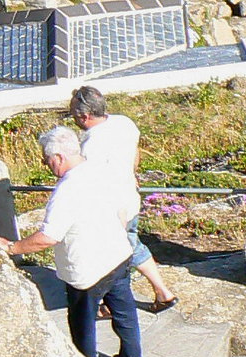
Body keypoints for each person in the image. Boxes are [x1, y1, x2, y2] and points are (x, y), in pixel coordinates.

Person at [4, 126, 142, 357]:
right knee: (125, 311)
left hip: (86, 269)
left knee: (82, 320)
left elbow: (49, 236)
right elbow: (122, 213)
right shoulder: (101, 171)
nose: (48, 166)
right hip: (118, 254)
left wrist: (13, 247)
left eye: (47, 160)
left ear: (58, 158)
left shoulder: (67, 190)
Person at [66, 86, 176, 314]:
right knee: (133, 246)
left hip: (112, 210)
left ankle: (107, 303)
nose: (72, 117)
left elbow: (89, 181)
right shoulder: (124, 123)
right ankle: (162, 292)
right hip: (130, 200)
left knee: (109, 254)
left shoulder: (91, 146)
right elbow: (135, 153)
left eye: (73, 113)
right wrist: (132, 173)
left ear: (84, 116)